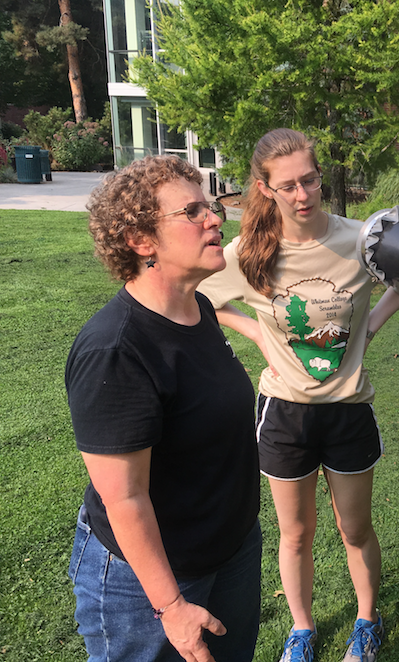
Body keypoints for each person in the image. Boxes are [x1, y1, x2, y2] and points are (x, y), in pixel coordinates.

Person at [197, 128, 399, 662]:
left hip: (348, 411)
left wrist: (368, 331)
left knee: (354, 528)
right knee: (294, 535)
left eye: (310, 180)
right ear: (265, 188)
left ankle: (366, 621)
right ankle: (301, 629)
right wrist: (254, 333)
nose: (303, 194)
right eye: (288, 185)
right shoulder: (248, 253)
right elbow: (202, 299)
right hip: (284, 414)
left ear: (321, 177)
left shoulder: (359, 240)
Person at [65, 155, 261, 662]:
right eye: (192, 211)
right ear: (140, 240)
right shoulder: (117, 349)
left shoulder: (199, 312)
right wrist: (172, 607)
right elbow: (124, 499)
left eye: (211, 205)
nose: (215, 218)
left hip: (230, 551)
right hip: (148, 584)